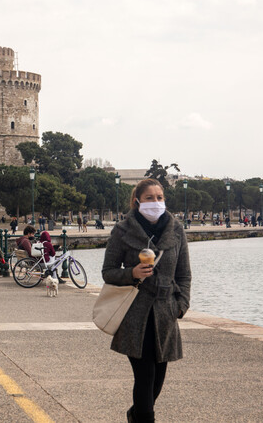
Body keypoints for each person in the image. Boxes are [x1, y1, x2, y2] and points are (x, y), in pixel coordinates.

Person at [101, 178, 191, 422]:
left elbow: (184, 274)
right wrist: (132, 273)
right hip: (135, 315)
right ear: (137, 201)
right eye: (150, 198)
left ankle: (136, 414)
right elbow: (108, 271)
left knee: (157, 382)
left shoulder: (176, 230)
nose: (156, 202)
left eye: (159, 198)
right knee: (145, 376)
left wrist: (180, 306)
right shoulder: (122, 231)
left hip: (165, 314)